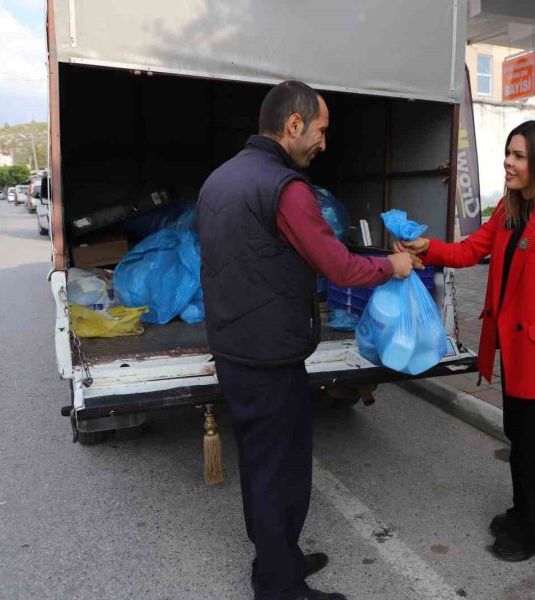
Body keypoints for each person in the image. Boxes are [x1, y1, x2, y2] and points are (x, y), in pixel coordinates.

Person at [197, 80, 415, 600]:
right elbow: (337, 265)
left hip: (235, 347)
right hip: (269, 356)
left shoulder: (219, 179)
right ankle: (280, 587)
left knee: (263, 464)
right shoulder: (285, 188)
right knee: (280, 471)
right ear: (293, 126)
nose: (323, 143)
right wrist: (393, 264)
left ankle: (281, 557)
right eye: (320, 131)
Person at [397, 120, 535, 562]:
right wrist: (427, 246)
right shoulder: (509, 209)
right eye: (508, 152)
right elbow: (469, 250)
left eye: (518, 155)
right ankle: (524, 512)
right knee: (517, 434)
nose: (508, 161)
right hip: (513, 345)